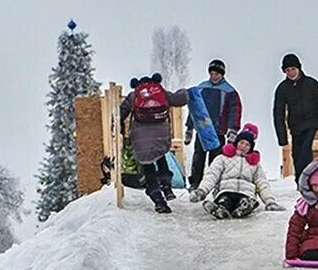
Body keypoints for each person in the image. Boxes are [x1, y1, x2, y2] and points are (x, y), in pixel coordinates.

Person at [120, 73, 190, 214]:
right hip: (161, 134)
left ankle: (158, 200)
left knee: (148, 167)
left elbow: (120, 113)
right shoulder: (160, 91)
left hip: (140, 137)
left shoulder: (134, 95)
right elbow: (181, 99)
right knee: (161, 156)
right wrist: (184, 91)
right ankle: (167, 187)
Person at [189, 123, 285, 218]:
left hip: (246, 192)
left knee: (244, 200)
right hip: (226, 190)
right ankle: (220, 209)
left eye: (247, 145)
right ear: (236, 143)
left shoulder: (255, 165)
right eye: (242, 143)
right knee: (225, 199)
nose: (244, 146)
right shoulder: (223, 158)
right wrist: (202, 191)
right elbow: (212, 175)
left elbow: (262, 184)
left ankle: (243, 208)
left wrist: (270, 201)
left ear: (251, 148)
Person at [273, 53, 318, 181]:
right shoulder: (282, 89)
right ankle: (302, 181)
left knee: (305, 150)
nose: (291, 72)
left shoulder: (311, 84)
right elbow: (278, 113)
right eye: (287, 70)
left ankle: (304, 178)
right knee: (297, 154)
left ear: (299, 68)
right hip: (295, 126)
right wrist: (282, 138)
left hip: (311, 122)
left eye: (293, 69)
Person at [185, 58, 243, 189]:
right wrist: (189, 128)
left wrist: (233, 129)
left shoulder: (229, 91)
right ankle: (195, 182)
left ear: (222, 74)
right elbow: (194, 108)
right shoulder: (201, 88)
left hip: (218, 130)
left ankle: (213, 183)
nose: (214, 76)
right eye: (212, 73)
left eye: (217, 74)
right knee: (198, 157)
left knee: (216, 159)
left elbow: (235, 111)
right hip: (202, 130)